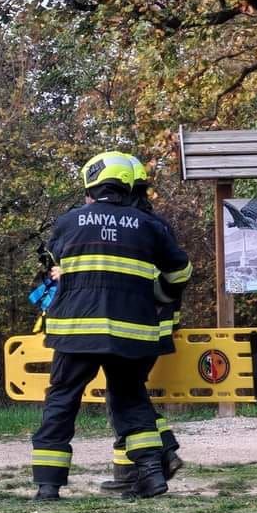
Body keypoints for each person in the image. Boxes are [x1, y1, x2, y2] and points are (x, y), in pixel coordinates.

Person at [30, 151, 192, 501]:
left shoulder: (69, 221)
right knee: (131, 399)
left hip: (76, 331)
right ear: (129, 185)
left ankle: (48, 486)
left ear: (92, 186)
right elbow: (181, 272)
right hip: (131, 331)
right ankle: (151, 473)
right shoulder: (149, 225)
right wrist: (160, 294)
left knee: (62, 401)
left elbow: (57, 260)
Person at [100, 155, 184, 493]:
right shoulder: (153, 224)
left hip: (137, 323)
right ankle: (138, 469)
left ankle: (160, 454)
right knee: (128, 393)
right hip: (158, 323)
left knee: (125, 397)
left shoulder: (131, 227)